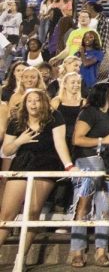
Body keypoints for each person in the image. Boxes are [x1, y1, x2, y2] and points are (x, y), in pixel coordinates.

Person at [0, 89, 76, 261]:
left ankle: (21, 258)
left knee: (33, 212)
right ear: (25, 103)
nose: (33, 104)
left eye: (37, 100)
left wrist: (69, 166)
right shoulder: (16, 121)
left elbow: (60, 143)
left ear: (43, 102)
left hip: (45, 163)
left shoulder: (54, 117)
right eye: (30, 101)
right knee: (6, 214)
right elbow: (6, 149)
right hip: (22, 163)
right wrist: (20, 141)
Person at [69, 82, 109, 268]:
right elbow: (77, 139)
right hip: (88, 161)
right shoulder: (89, 112)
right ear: (105, 93)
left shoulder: (108, 115)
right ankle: (77, 251)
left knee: (104, 207)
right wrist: (101, 140)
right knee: (83, 205)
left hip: (107, 165)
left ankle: (101, 251)